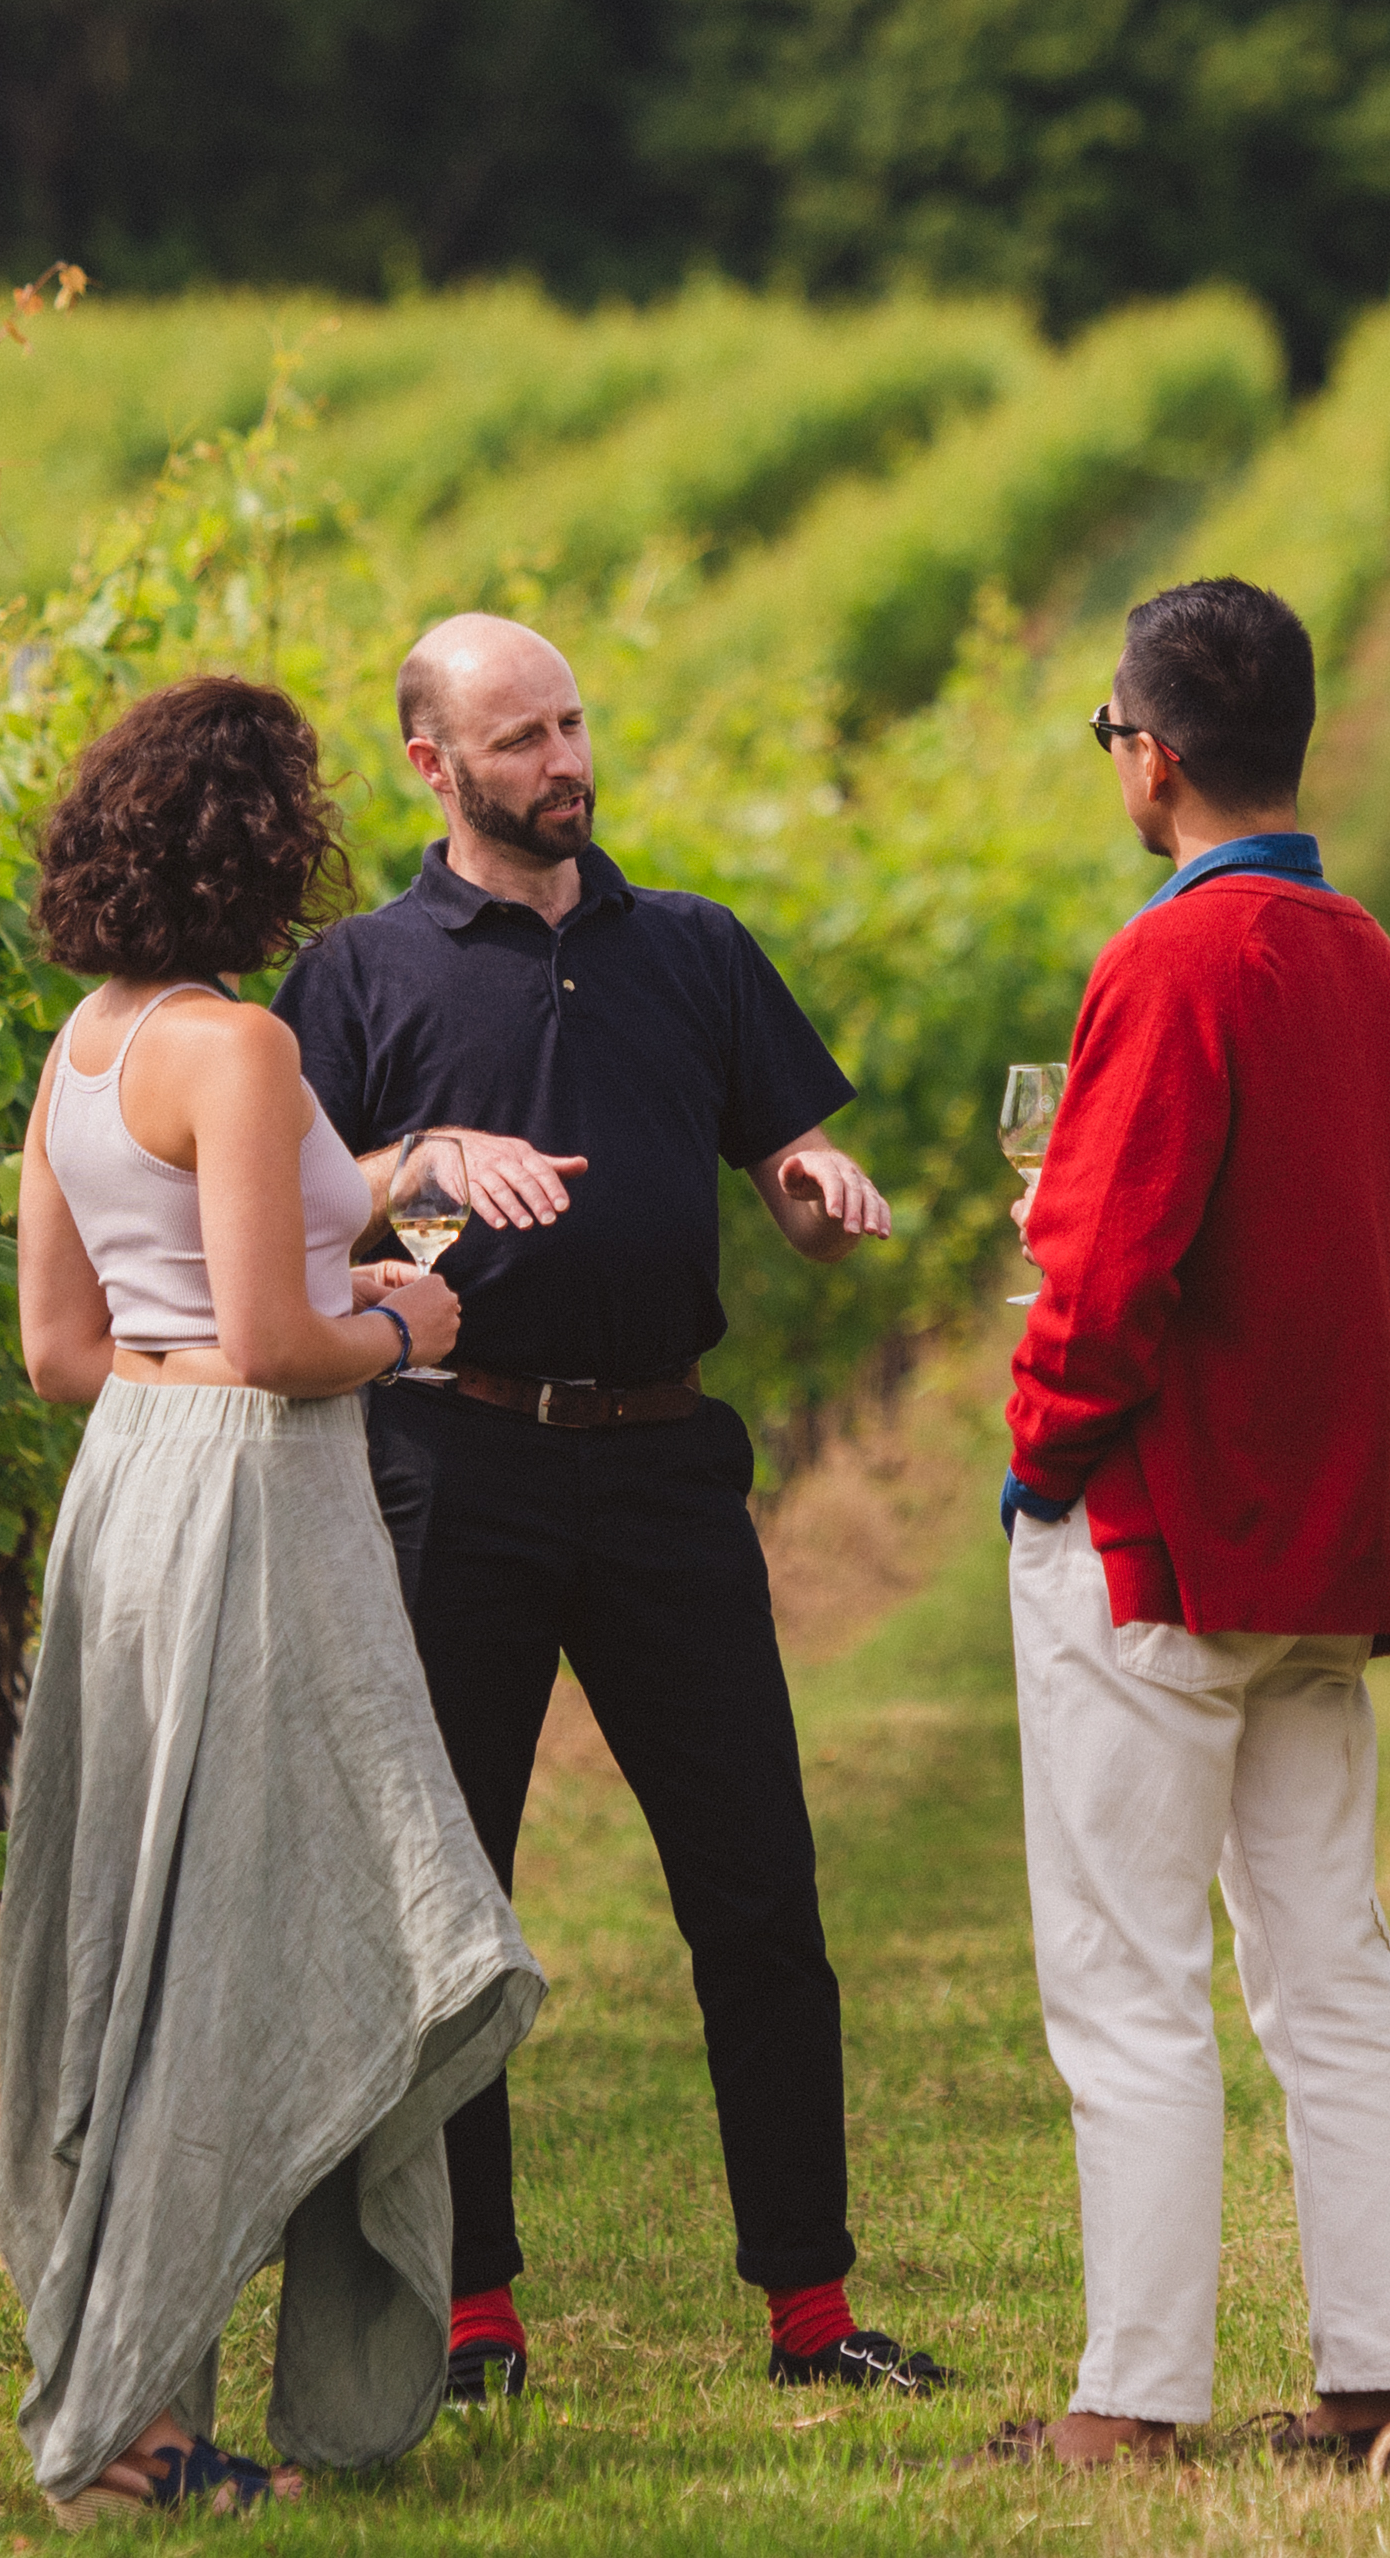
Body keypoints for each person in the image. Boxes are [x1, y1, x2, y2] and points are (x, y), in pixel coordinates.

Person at [271, 612, 954, 2409]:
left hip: (664, 1468)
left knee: (758, 1895)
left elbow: (783, 1160)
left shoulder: (696, 951)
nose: (565, 762)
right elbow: (282, 1214)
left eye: (572, 726)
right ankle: (472, 2317)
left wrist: (811, 1179)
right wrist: (415, 1167)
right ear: (433, 766)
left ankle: (814, 2311)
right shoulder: (357, 975)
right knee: (456, 1906)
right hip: (453, 1466)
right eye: (521, 740)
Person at [0, 674, 544, 2524]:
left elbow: (67, 1355)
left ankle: (153, 2383)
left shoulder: (82, 1047)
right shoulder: (237, 1051)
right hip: (258, 1511)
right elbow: (281, 1338)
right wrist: (407, 1317)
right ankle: (142, 2429)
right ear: (258, 845)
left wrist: (230, 1353)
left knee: (156, 1940)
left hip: (128, 1508)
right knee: (258, 1940)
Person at [976, 576, 1390, 2477]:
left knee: (1127, 1975)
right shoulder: (1376, 963)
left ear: (1151, 756)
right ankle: (1376, 2378)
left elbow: (1104, 1275)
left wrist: (1042, 1458)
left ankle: (1135, 2397)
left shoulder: (1171, 967)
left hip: (1164, 1540)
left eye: (1111, 736)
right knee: (1327, 1961)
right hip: (1332, 1542)